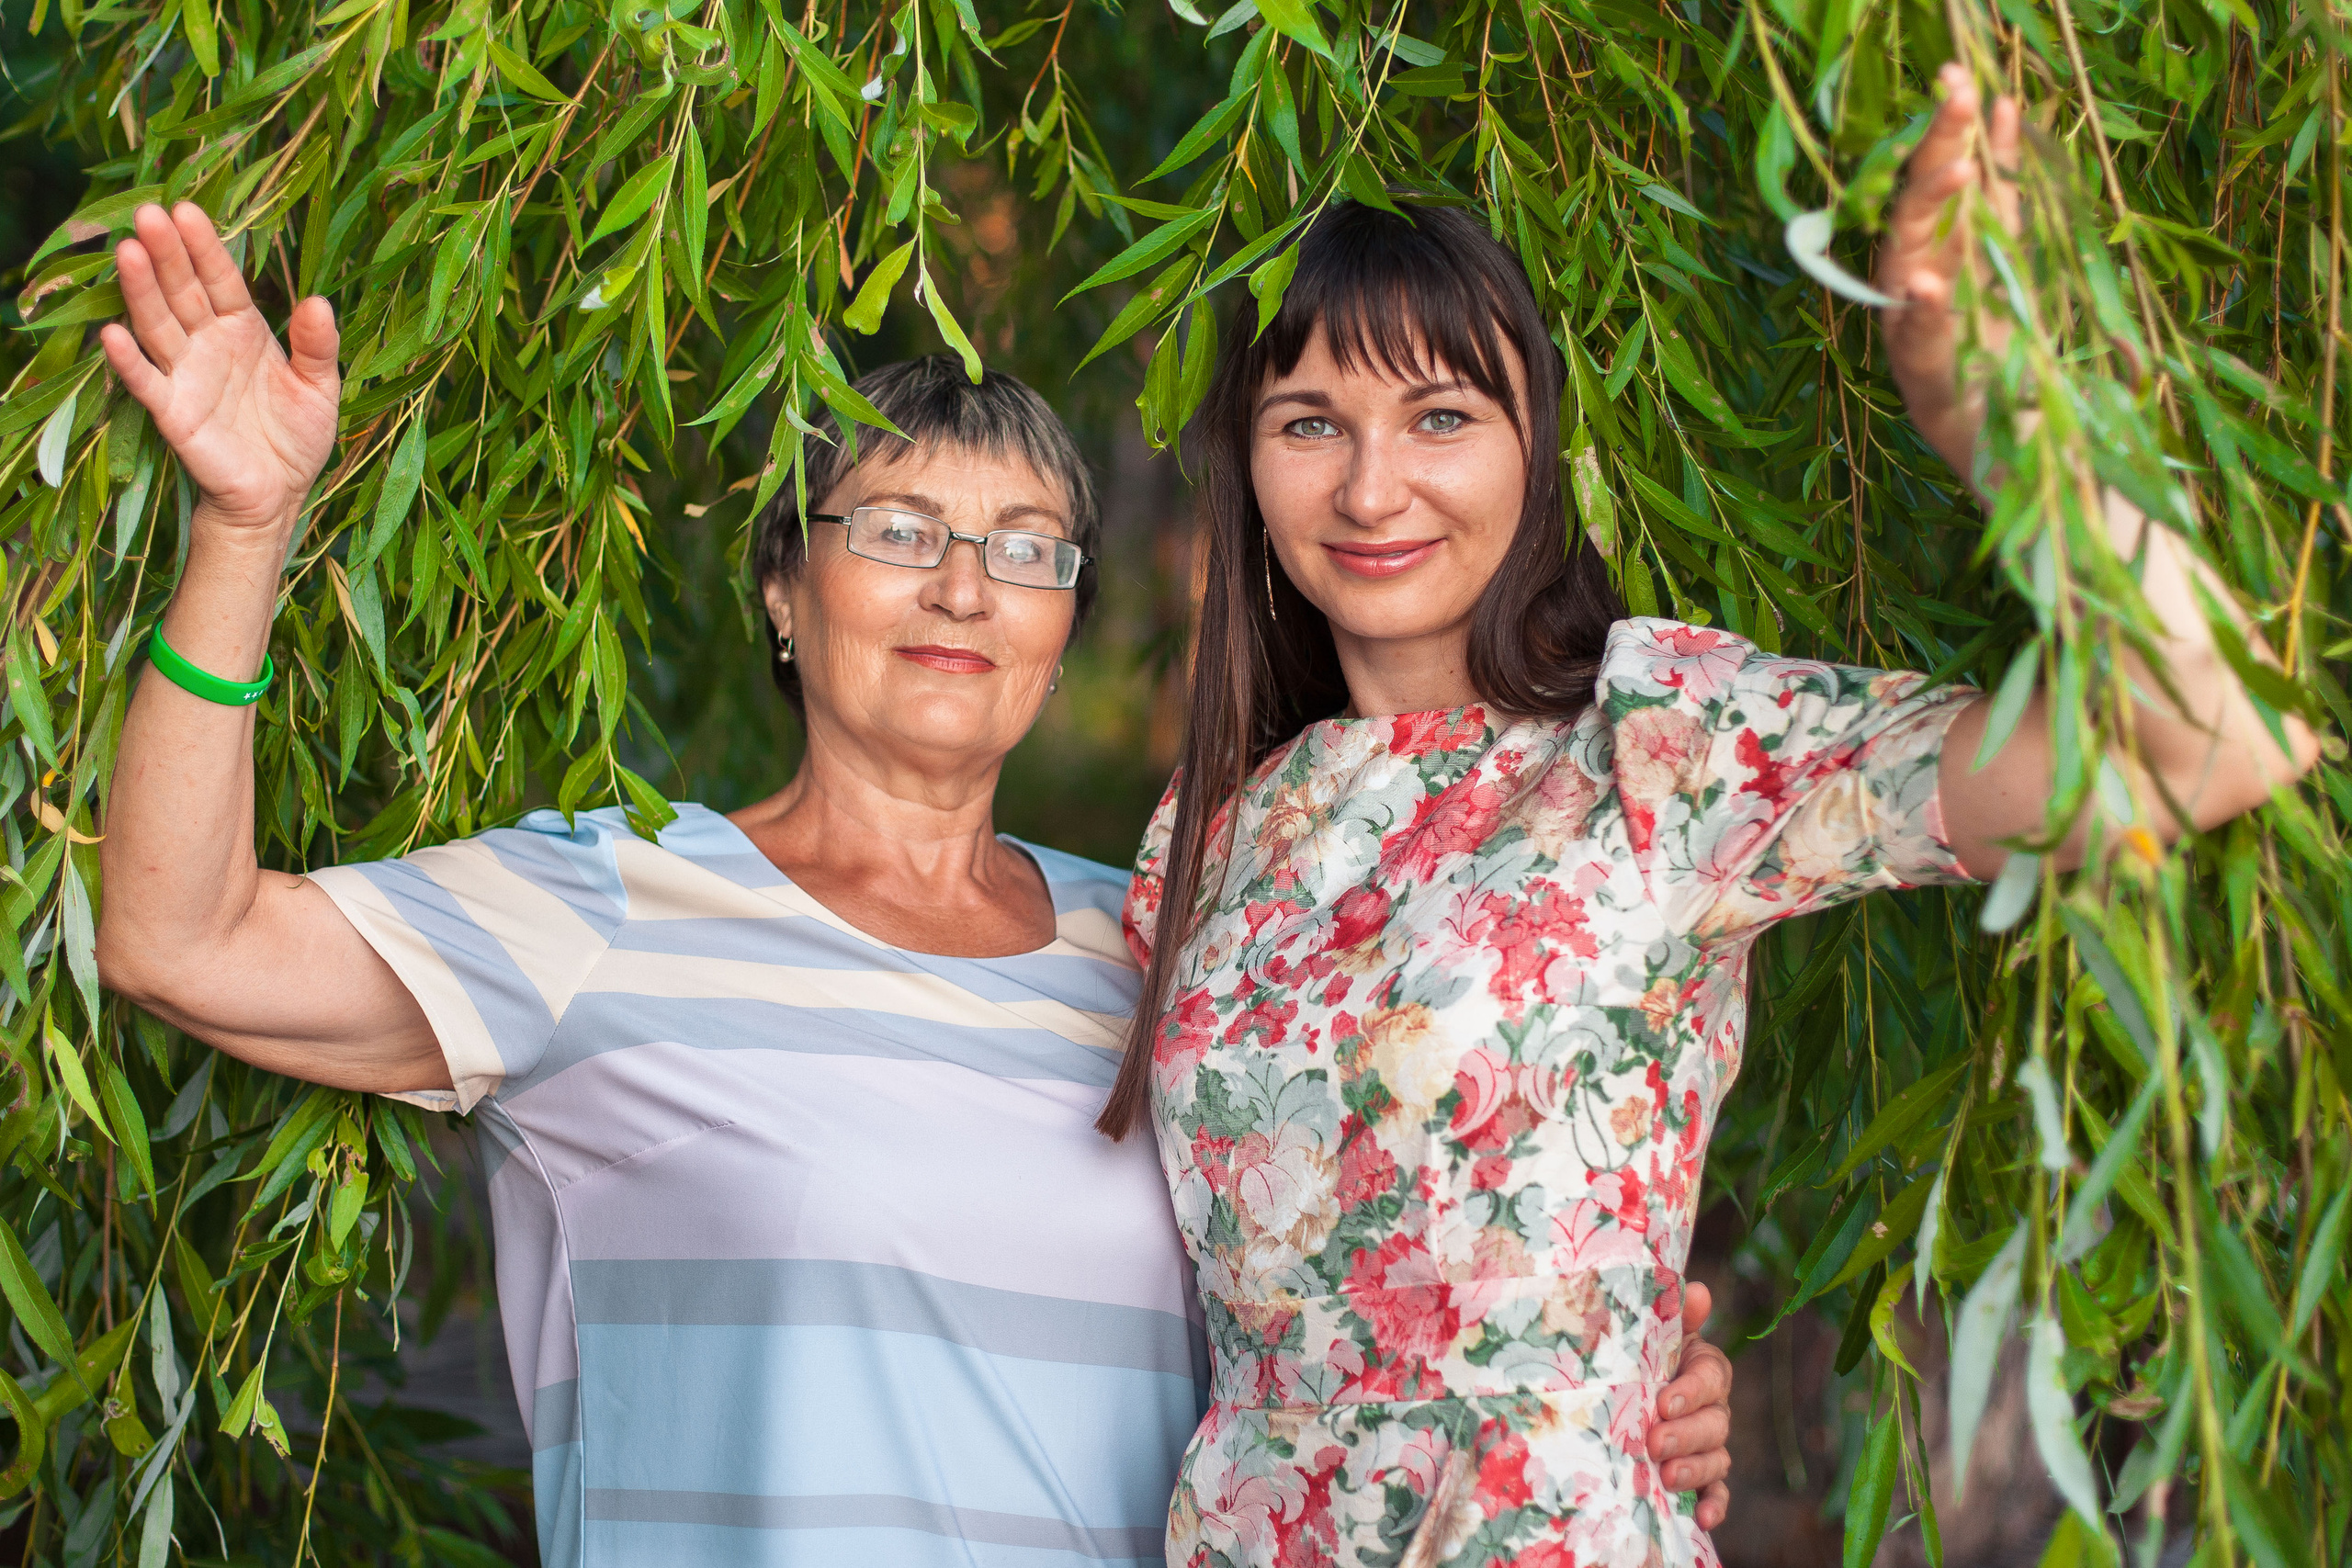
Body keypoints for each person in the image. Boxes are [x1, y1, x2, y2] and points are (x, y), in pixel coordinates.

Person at [89, 205, 1736, 1566]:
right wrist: (246, 529)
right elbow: (183, 939)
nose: (965, 585)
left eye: (1027, 547)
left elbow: (1383, 1278)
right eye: (896, 529)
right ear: (785, 591)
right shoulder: (607, 913)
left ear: (1059, 631)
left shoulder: (1190, 948)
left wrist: (1608, 1379)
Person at [1099, 65, 2320, 1568]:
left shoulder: (1663, 749)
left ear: (1535, 445)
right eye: (1309, 422)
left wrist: (1984, 403)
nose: (1372, 485)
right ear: (1249, 460)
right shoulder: (1212, 835)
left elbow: (2208, 735)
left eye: (1438, 415)